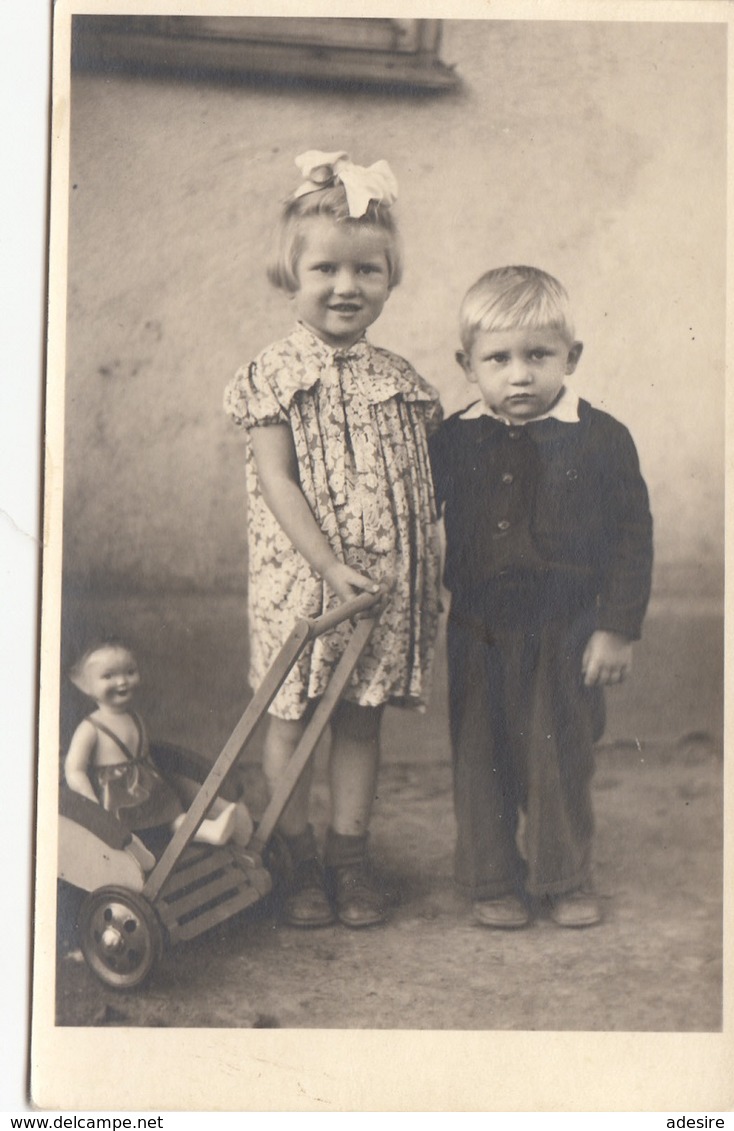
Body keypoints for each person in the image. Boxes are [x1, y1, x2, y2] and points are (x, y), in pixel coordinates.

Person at [223, 150, 442, 929]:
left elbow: (421, 483)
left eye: (368, 271)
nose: (347, 287)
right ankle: (294, 857)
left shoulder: (403, 381)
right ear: (293, 271)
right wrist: (324, 562)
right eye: (327, 269)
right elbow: (278, 480)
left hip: (378, 588)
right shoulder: (272, 375)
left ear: (390, 277)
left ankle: (350, 856)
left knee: (360, 716)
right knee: (292, 716)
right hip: (305, 582)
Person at [429, 265, 653, 929]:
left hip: (567, 628)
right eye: (498, 359)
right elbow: (409, 515)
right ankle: (491, 877)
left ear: (571, 357)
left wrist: (616, 628)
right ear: (467, 364)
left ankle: (562, 876)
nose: (519, 375)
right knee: (480, 752)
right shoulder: (452, 438)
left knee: (558, 753)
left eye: (538, 355)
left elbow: (632, 535)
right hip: (478, 629)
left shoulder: (601, 437)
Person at [65, 638, 242, 867]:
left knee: (171, 817)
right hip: (114, 794)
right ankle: (135, 857)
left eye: (130, 672)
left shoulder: (135, 717)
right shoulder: (90, 728)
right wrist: (88, 801)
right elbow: (74, 768)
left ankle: (208, 831)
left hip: (146, 784)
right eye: (108, 676)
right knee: (127, 830)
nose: (122, 681)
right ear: (85, 686)